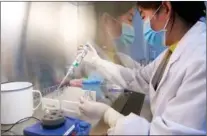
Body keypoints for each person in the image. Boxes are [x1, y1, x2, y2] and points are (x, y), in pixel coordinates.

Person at [78, 1, 206, 135]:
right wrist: (97, 61)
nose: (146, 26)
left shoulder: (200, 59)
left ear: (166, 9)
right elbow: (138, 79)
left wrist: (110, 116)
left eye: (144, 17)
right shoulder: (172, 52)